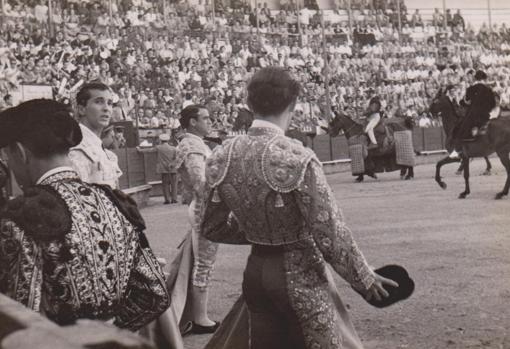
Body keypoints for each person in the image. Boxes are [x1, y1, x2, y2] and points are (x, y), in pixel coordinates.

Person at [201, 67, 397, 349]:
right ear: (293, 105)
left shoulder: (222, 155)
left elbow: (211, 226)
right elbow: (329, 233)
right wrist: (364, 278)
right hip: (299, 273)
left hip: (255, 272)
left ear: (249, 103)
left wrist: (259, 230)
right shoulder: (297, 157)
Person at [0, 99, 170, 330]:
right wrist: (107, 332)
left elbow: (21, 320)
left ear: (20, 152)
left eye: (7, 156)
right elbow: (154, 293)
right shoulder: (116, 201)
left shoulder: (21, 216)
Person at [169, 104, 220, 334]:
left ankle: (196, 313)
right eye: (205, 118)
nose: (210, 121)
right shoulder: (191, 145)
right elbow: (200, 183)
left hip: (203, 206)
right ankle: (200, 318)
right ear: (192, 122)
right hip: (203, 207)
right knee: (204, 262)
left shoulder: (193, 143)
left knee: (200, 260)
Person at [69, 82, 122, 188]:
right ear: (81, 109)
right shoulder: (76, 148)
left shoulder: (107, 153)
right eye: (98, 102)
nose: (106, 108)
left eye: (110, 103)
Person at [450, 70, 496, 158]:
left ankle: (457, 151)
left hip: (472, 116)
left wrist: (461, 102)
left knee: (459, 129)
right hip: (485, 116)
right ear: (484, 78)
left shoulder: (471, 89)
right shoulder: (489, 90)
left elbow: (465, 102)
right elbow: (493, 104)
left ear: (476, 78)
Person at [156, 133, 178, 204]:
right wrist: (172, 164)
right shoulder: (173, 148)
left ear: (160, 140)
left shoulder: (158, 148)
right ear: (168, 140)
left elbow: (148, 150)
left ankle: (167, 199)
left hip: (163, 169)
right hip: (173, 168)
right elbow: (176, 158)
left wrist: (139, 149)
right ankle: (174, 199)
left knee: (165, 184)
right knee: (174, 184)